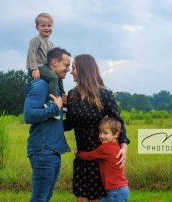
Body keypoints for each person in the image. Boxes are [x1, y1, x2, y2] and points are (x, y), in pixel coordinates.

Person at [64, 54, 130, 202]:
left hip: (99, 159)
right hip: (81, 157)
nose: (71, 71)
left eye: (74, 68)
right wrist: (49, 115)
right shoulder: (71, 95)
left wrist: (124, 147)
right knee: (81, 199)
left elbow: (119, 122)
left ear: (83, 70)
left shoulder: (104, 95)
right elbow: (68, 124)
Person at [23, 47, 71, 202]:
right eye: (66, 65)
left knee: (46, 197)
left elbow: (56, 118)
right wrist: (54, 108)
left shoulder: (55, 86)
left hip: (53, 150)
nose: (68, 70)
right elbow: (28, 115)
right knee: (40, 198)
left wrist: (64, 107)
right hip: (44, 151)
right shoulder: (40, 85)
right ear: (54, 62)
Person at [77, 117, 130, 202]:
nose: (102, 136)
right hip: (123, 189)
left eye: (105, 133)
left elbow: (90, 156)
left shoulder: (105, 148)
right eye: (100, 132)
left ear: (116, 134)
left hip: (114, 191)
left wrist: (78, 153)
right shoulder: (118, 146)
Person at [26, 12, 65, 97]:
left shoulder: (50, 44)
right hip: (38, 67)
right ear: (37, 28)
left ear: (53, 27)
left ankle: (63, 95)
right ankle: (53, 99)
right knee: (54, 78)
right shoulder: (36, 40)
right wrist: (34, 69)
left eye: (49, 25)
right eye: (43, 26)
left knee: (59, 75)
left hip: (46, 67)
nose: (47, 28)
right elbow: (31, 54)